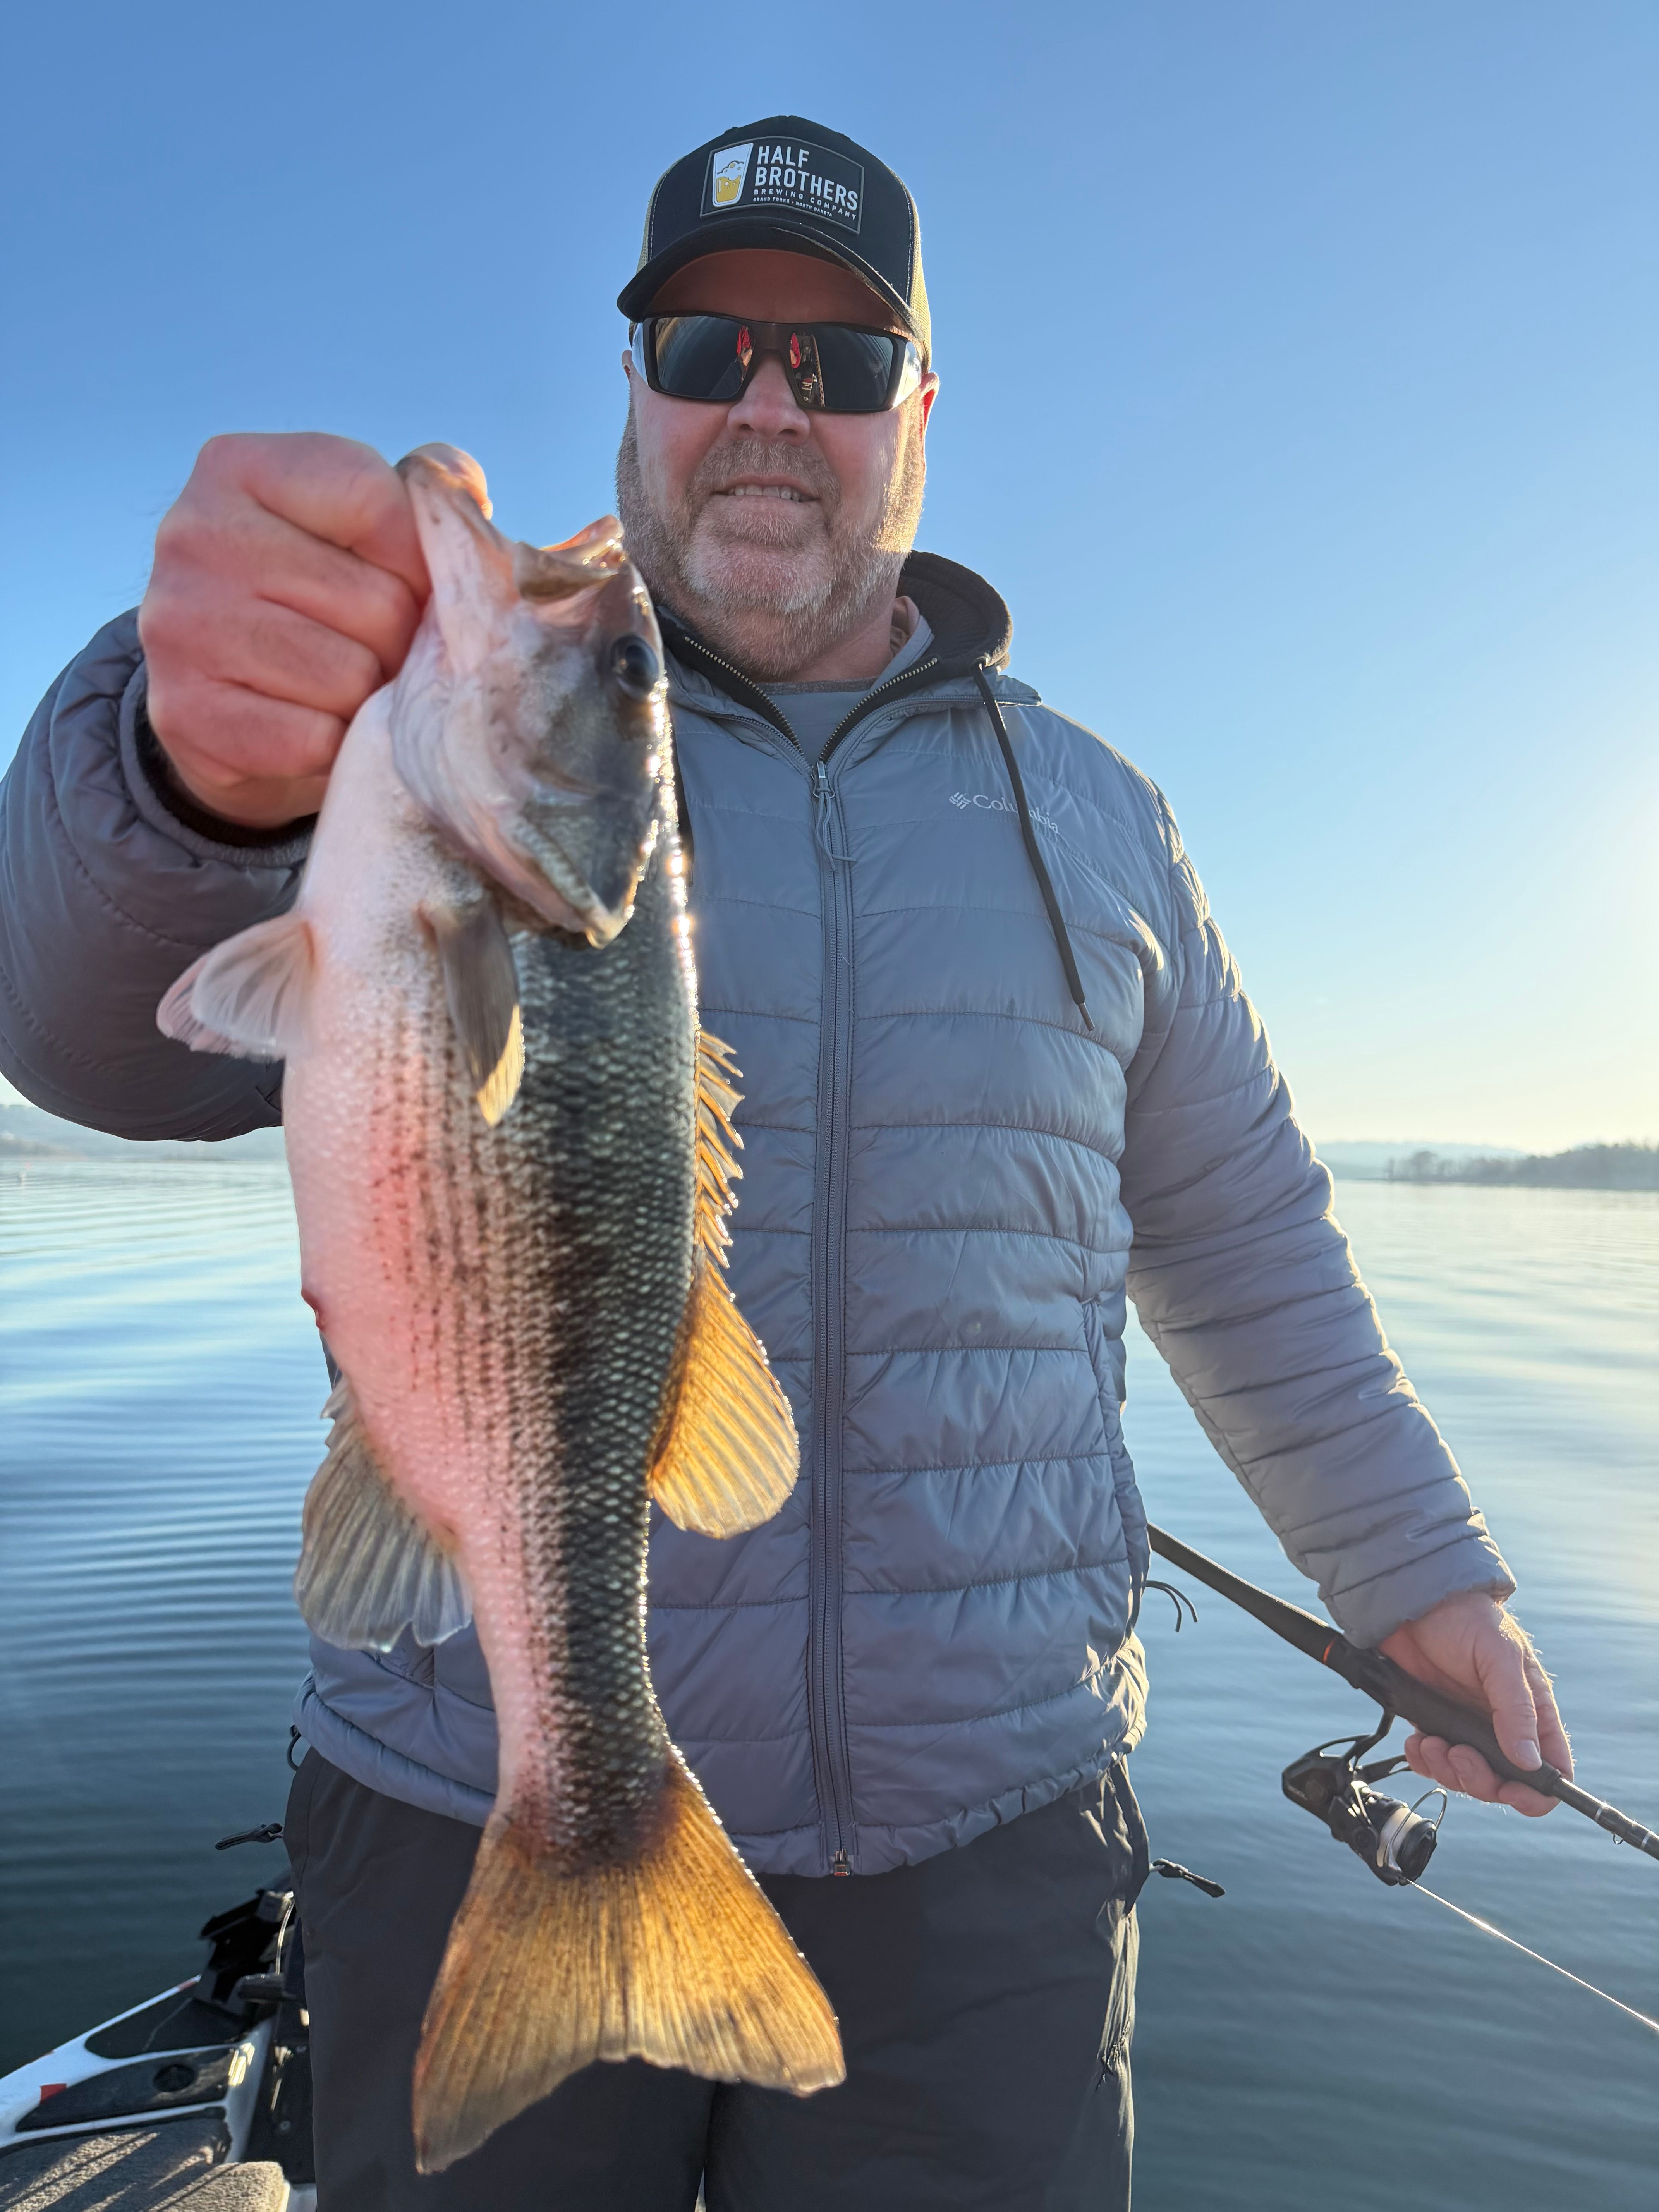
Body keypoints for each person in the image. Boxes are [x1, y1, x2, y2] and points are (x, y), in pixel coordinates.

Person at [0, 116, 1570, 2212]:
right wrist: (178, 762)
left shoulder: (1104, 824)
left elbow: (1244, 1238)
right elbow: (93, 1034)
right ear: (633, 378)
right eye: (711, 343)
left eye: (834, 365)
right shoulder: (420, 731)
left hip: (985, 1863)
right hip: (461, 1798)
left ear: (920, 411)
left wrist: (1421, 1581)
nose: (768, 405)